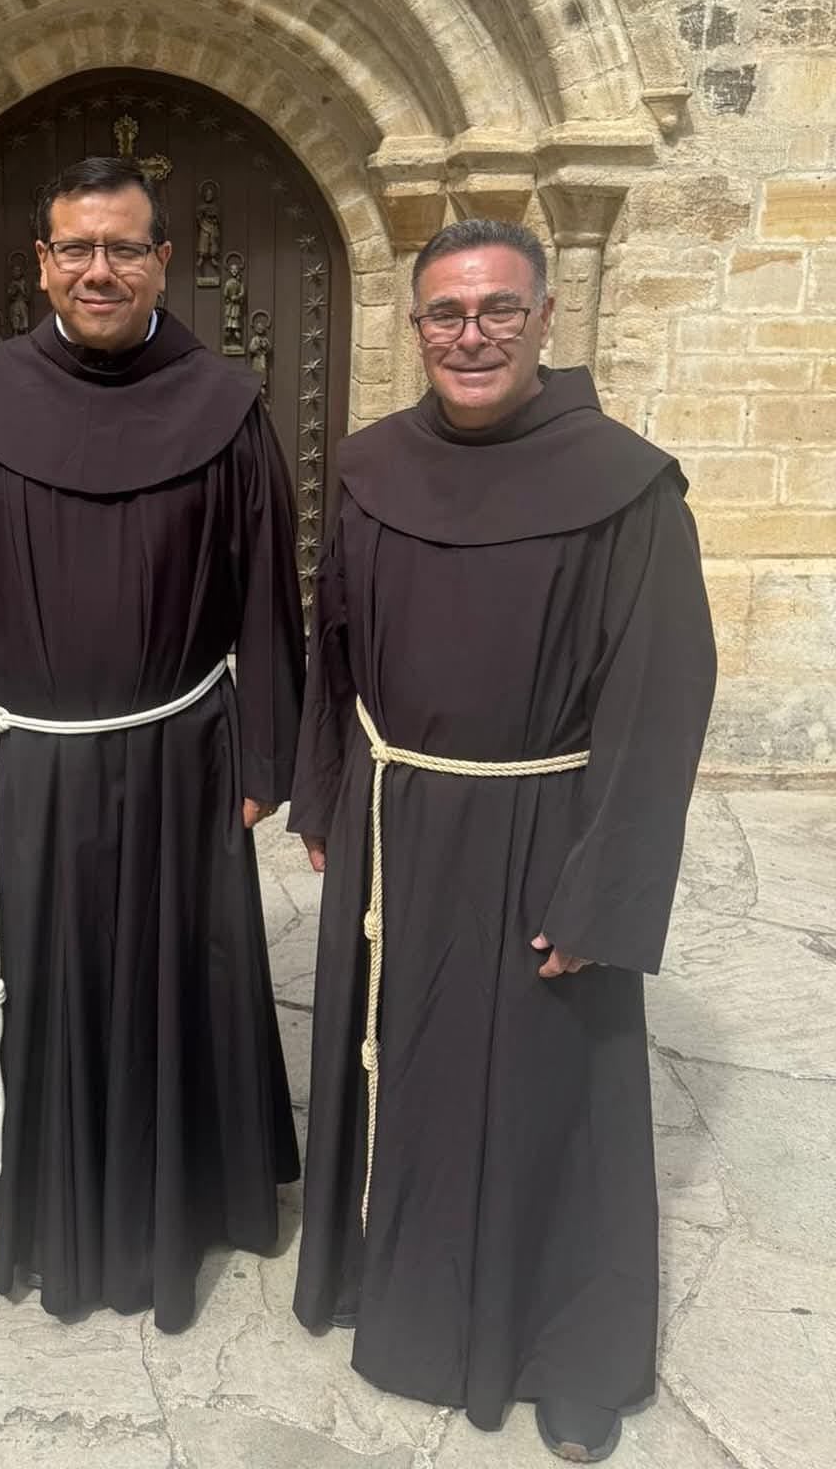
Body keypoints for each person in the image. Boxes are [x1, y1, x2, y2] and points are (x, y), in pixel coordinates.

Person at [290, 218, 716, 1463]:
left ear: (543, 321)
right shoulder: (370, 469)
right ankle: (400, 1298)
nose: (470, 334)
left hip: (548, 827)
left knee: (548, 1099)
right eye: (445, 313)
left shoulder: (628, 484)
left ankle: (566, 1349)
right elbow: (339, 651)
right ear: (415, 325)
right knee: (403, 1058)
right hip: (402, 821)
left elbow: (659, 702)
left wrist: (608, 889)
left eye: (497, 311)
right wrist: (327, 794)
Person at [0, 155, 305, 1332]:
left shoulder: (226, 404)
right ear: (42, 263)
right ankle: (40, 1174)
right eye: (76, 247)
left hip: (183, 755)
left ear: (165, 262)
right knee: (42, 974)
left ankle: (184, 1186)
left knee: (183, 969)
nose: (99, 268)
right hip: (24, 761)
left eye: (124, 247)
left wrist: (263, 759)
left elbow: (265, 594)